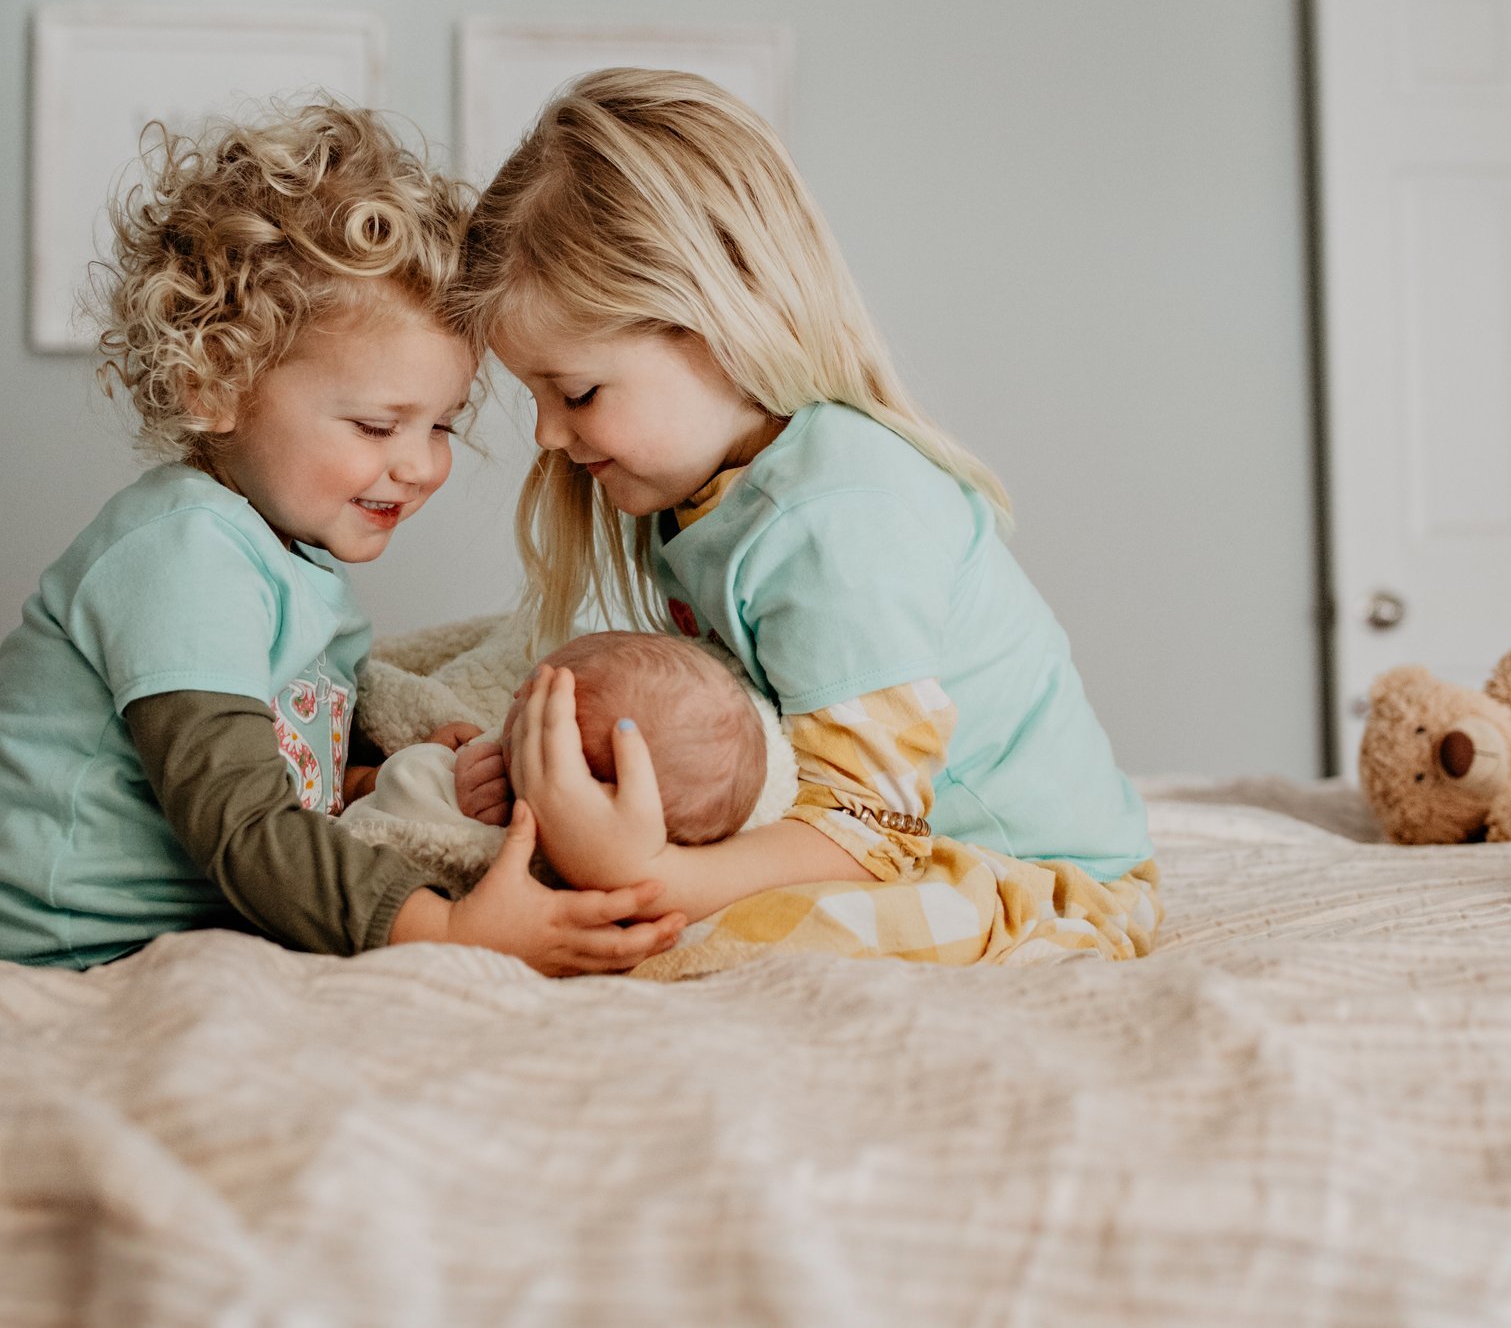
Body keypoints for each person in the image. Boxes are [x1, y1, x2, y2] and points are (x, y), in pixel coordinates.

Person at [0, 103, 682, 975]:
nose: (420, 465)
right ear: (217, 383)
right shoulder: (185, 555)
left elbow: (296, 770)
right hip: (64, 951)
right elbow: (242, 821)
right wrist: (447, 928)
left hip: (202, 932)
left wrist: (399, 775)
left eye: (442, 424)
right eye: (376, 425)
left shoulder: (295, 562)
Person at [455, 69, 1160, 975]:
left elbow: (870, 827)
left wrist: (652, 875)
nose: (548, 435)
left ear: (717, 323)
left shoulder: (838, 518)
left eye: (578, 392)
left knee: (693, 938)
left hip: (1040, 882)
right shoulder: (702, 495)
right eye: (536, 397)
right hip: (902, 842)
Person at [360, 629, 768, 847]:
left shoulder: (521, 822)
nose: (516, 696)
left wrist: (438, 769)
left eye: (535, 704)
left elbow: (394, 800)